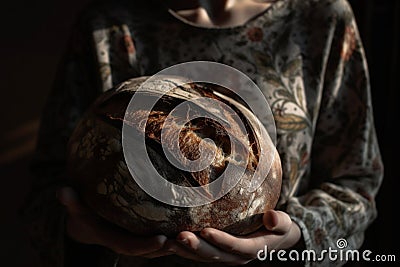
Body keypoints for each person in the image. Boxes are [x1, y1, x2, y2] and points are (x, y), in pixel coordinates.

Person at [21, 0, 384, 266]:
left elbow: (357, 185)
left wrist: (295, 236)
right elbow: (42, 201)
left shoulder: (320, 18)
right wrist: (82, 231)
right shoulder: (109, 25)